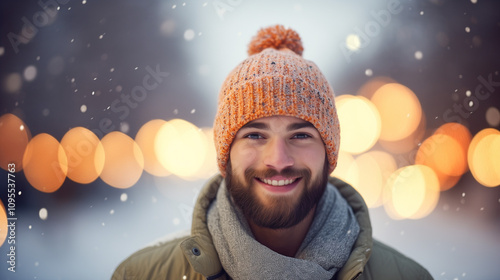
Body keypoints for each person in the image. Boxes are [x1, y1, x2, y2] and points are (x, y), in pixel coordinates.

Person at [112, 25, 433, 280]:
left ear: (329, 153)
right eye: (254, 135)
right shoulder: (141, 276)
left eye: (301, 135)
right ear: (226, 154)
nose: (278, 160)